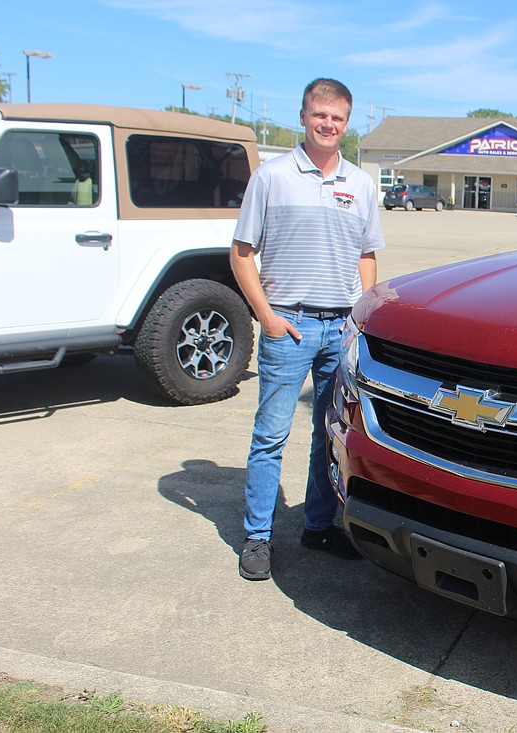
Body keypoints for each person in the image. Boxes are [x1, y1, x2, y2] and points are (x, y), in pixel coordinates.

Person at [230, 78, 385, 581]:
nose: (328, 125)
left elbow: (366, 255)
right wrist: (267, 317)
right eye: (320, 115)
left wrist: (359, 318)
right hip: (288, 326)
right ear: (303, 116)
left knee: (327, 434)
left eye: (338, 118)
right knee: (271, 435)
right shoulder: (272, 177)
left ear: (347, 123)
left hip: (339, 328)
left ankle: (319, 526)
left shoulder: (360, 185)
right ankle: (257, 537)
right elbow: (242, 253)